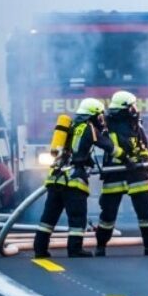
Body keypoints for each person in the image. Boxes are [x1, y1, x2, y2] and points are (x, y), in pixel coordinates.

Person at [32, 98, 111, 258]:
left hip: (55, 178)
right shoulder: (89, 128)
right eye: (100, 116)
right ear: (94, 115)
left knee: (48, 218)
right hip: (73, 180)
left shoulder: (70, 126)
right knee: (77, 217)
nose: (101, 119)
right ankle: (75, 249)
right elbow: (109, 146)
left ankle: (40, 249)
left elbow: (72, 150)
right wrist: (126, 158)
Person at [96, 90, 148, 256]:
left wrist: (146, 161)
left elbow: (143, 146)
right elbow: (107, 146)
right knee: (108, 216)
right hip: (115, 173)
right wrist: (127, 159)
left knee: (146, 213)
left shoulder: (135, 125)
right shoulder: (107, 126)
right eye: (132, 105)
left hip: (137, 174)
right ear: (125, 107)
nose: (135, 108)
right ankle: (101, 245)